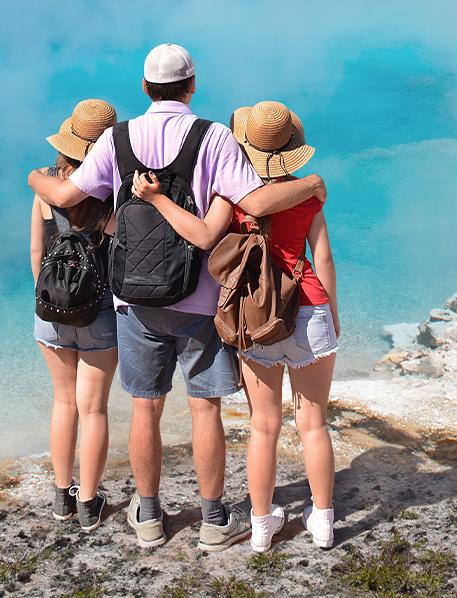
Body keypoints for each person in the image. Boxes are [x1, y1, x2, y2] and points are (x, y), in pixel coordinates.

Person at [27, 44, 326, 553]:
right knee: (204, 409)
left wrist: (35, 177)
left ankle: (147, 515)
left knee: (145, 409)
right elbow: (253, 202)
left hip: (133, 301)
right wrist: (313, 185)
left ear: (144, 88)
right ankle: (213, 520)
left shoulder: (117, 139)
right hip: (201, 300)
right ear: (192, 85)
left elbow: (63, 198)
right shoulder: (214, 137)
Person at [132, 101, 339, 552]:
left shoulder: (231, 197)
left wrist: (155, 200)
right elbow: (321, 258)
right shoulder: (308, 193)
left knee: (263, 426)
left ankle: (262, 527)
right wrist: (333, 314)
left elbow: (205, 238)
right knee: (314, 423)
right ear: (292, 149)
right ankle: (322, 521)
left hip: (255, 315)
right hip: (309, 308)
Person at [29, 98, 119, 531]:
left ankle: (60, 498)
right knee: (94, 409)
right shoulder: (112, 190)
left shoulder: (46, 184)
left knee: (63, 403)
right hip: (100, 310)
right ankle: (88, 503)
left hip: (51, 309)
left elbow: (35, 251)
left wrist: (49, 299)